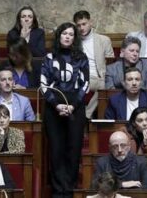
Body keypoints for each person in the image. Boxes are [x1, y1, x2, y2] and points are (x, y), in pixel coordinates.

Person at [41, 22, 89, 198]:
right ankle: (58, 190)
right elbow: (44, 84)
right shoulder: (49, 57)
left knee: (73, 149)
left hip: (75, 107)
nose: (67, 36)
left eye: (71, 34)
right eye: (64, 33)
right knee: (56, 149)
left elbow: (86, 84)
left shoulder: (81, 57)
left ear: (75, 38)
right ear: (59, 36)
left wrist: (73, 106)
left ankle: (69, 190)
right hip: (53, 108)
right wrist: (57, 105)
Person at [76, 10, 114, 118]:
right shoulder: (74, 41)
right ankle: (86, 115)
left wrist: (107, 77)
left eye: (84, 24)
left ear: (90, 22)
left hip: (100, 77)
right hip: (82, 77)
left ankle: (86, 114)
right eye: (78, 25)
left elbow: (111, 62)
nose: (81, 28)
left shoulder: (104, 40)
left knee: (106, 85)